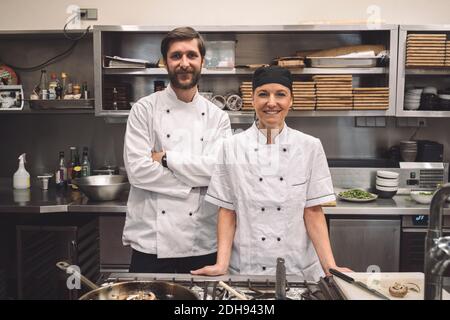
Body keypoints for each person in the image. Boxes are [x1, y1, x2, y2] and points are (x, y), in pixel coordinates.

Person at [192, 66, 351, 280]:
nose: (271, 102)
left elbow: (313, 211)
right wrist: (221, 264)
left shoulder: (309, 146)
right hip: (247, 267)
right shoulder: (231, 147)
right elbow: (227, 211)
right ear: (253, 99)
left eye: (281, 94)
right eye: (263, 94)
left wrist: (330, 266)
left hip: (297, 269)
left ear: (291, 100)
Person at [123, 27, 232, 273]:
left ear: (202, 61)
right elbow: (138, 172)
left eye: (191, 55)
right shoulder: (143, 110)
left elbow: (218, 171)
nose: (184, 63)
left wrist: (166, 158)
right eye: (176, 56)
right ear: (165, 62)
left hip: (201, 242)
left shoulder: (218, 118)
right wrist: (194, 181)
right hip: (151, 243)